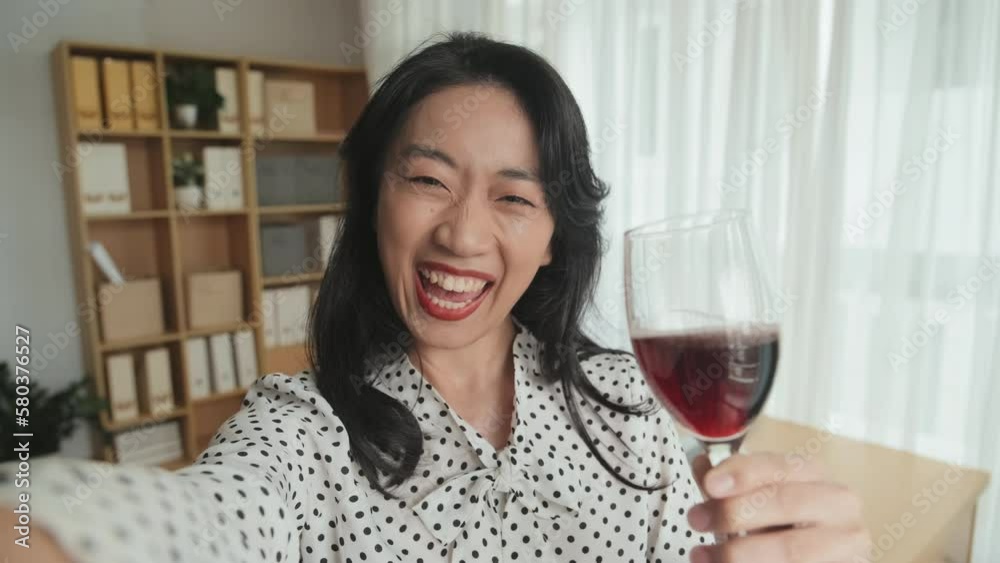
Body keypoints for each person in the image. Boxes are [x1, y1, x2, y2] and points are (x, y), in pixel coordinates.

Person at [0, 32, 869, 562]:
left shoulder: (630, 405)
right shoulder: (302, 432)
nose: (462, 234)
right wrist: (32, 524)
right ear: (373, 199)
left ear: (553, 237)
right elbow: (203, 518)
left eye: (514, 197)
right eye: (426, 180)